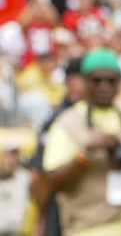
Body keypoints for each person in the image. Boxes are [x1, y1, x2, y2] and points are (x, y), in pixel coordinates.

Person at [41, 47, 121, 236]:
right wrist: (85, 154)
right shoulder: (67, 123)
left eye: (111, 80)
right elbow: (52, 181)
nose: (104, 86)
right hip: (92, 228)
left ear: (119, 82)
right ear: (85, 81)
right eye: (97, 80)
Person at [31, 57, 87, 236]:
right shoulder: (57, 120)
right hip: (62, 205)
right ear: (71, 79)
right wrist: (43, 216)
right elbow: (38, 174)